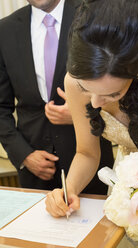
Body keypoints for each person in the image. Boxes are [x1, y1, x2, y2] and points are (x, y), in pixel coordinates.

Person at [45, 0, 138, 236]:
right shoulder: (73, 81)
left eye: (113, 94)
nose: (94, 103)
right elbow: (87, 153)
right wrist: (69, 188)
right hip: (126, 194)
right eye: (85, 89)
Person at [0, 0, 114, 192]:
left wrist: (82, 115)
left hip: (92, 167)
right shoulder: (5, 30)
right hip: (34, 171)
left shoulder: (95, 18)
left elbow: (119, 88)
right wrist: (23, 155)